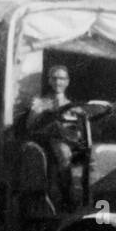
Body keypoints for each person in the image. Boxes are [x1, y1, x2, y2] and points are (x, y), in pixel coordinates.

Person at [24, 65, 78, 210]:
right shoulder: (41, 101)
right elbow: (30, 126)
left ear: (67, 82)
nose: (57, 82)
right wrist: (38, 111)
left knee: (63, 150)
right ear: (49, 81)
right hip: (43, 142)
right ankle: (66, 198)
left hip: (66, 142)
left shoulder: (72, 106)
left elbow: (76, 132)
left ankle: (68, 197)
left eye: (61, 78)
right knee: (61, 150)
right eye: (54, 78)